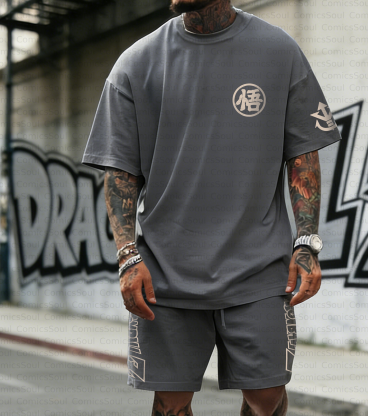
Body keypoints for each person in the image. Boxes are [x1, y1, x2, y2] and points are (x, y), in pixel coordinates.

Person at [81, 0, 342, 414]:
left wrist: (306, 242)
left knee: (266, 397)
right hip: (165, 273)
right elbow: (120, 173)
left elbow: (303, 155)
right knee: (171, 402)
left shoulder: (278, 51)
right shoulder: (135, 63)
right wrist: (128, 256)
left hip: (258, 269)